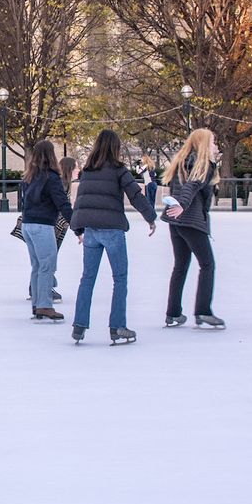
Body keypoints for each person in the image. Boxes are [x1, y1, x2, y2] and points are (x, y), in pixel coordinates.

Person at [68, 129, 156, 346]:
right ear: (115, 148)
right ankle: (117, 326)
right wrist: (150, 217)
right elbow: (135, 194)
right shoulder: (118, 170)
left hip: (91, 231)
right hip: (112, 230)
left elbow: (81, 201)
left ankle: (79, 326)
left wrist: (78, 229)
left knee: (87, 278)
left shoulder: (88, 170)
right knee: (120, 278)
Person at [161, 128, 224, 329]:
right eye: (213, 142)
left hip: (175, 220)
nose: (215, 146)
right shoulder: (204, 164)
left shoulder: (181, 162)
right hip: (190, 220)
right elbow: (192, 186)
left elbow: (183, 186)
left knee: (180, 265)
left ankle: (173, 313)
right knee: (207, 265)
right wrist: (182, 205)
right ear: (204, 143)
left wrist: (178, 207)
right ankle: (203, 311)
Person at [18, 139, 74, 321]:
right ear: (52, 155)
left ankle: (37, 303)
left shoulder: (28, 176)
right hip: (42, 225)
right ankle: (44, 305)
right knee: (46, 265)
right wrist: (76, 224)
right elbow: (62, 203)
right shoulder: (51, 177)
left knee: (37, 266)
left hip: (28, 224)